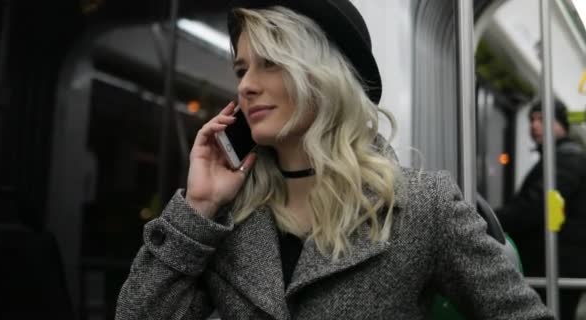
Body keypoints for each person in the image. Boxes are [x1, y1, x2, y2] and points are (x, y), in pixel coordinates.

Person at [115, 1, 552, 319]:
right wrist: (197, 209)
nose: (246, 85)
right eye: (242, 69)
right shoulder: (228, 216)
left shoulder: (421, 205)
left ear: (327, 76)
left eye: (270, 63)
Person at [497, 100, 586, 320]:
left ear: (561, 124)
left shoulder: (567, 158)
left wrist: (492, 219)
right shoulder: (557, 157)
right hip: (554, 261)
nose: (534, 126)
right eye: (532, 120)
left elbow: (534, 206)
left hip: (559, 264)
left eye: (542, 119)